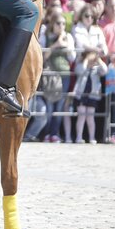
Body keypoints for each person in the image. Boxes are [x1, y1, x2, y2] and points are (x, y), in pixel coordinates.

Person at [39, 12, 75, 143]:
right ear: (53, 24)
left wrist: (66, 46)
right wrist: (55, 45)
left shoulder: (68, 37)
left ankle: (54, 133)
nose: (61, 26)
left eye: (64, 24)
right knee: (49, 105)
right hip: (50, 76)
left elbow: (72, 58)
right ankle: (47, 133)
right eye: (58, 23)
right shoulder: (46, 36)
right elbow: (42, 57)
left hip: (64, 74)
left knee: (59, 106)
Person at [72, 51, 107, 144]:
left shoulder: (97, 68)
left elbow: (105, 71)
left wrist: (99, 60)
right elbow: (79, 71)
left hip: (93, 95)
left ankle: (92, 137)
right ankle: (79, 137)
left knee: (90, 117)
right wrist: (86, 60)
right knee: (81, 116)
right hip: (81, 94)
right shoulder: (81, 65)